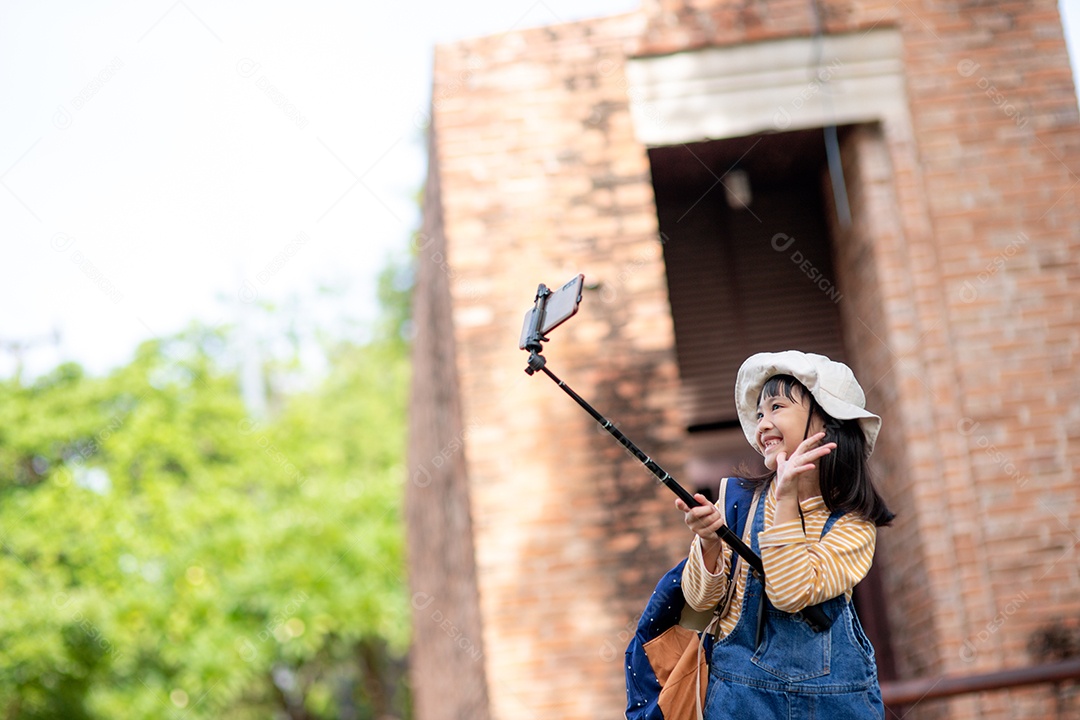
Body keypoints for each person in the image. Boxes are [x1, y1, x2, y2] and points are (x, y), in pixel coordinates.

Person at [675, 350, 894, 718]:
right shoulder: (738, 501)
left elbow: (790, 592)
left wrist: (788, 496)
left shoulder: (853, 525)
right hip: (739, 701)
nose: (762, 423)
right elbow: (698, 603)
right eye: (759, 413)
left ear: (829, 421)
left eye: (777, 407)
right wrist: (709, 542)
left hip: (834, 705)